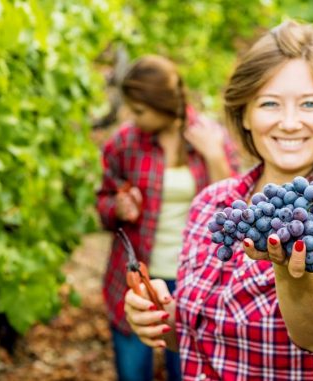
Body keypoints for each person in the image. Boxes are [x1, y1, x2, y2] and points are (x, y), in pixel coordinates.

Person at [124, 20, 313, 380]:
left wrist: (299, 276)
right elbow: (197, 337)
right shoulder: (212, 204)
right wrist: (159, 321)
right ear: (245, 114)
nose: (290, 123)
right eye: (270, 104)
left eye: (309, 104)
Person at [96, 55, 240, 381]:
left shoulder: (211, 138)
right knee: (133, 373)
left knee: (187, 372)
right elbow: (102, 205)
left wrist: (214, 156)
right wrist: (117, 208)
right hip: (135, 278)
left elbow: (234, 208)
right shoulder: (125, 142)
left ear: (162, 104)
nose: (133, 117)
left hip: (194, 280)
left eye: (140, 110)